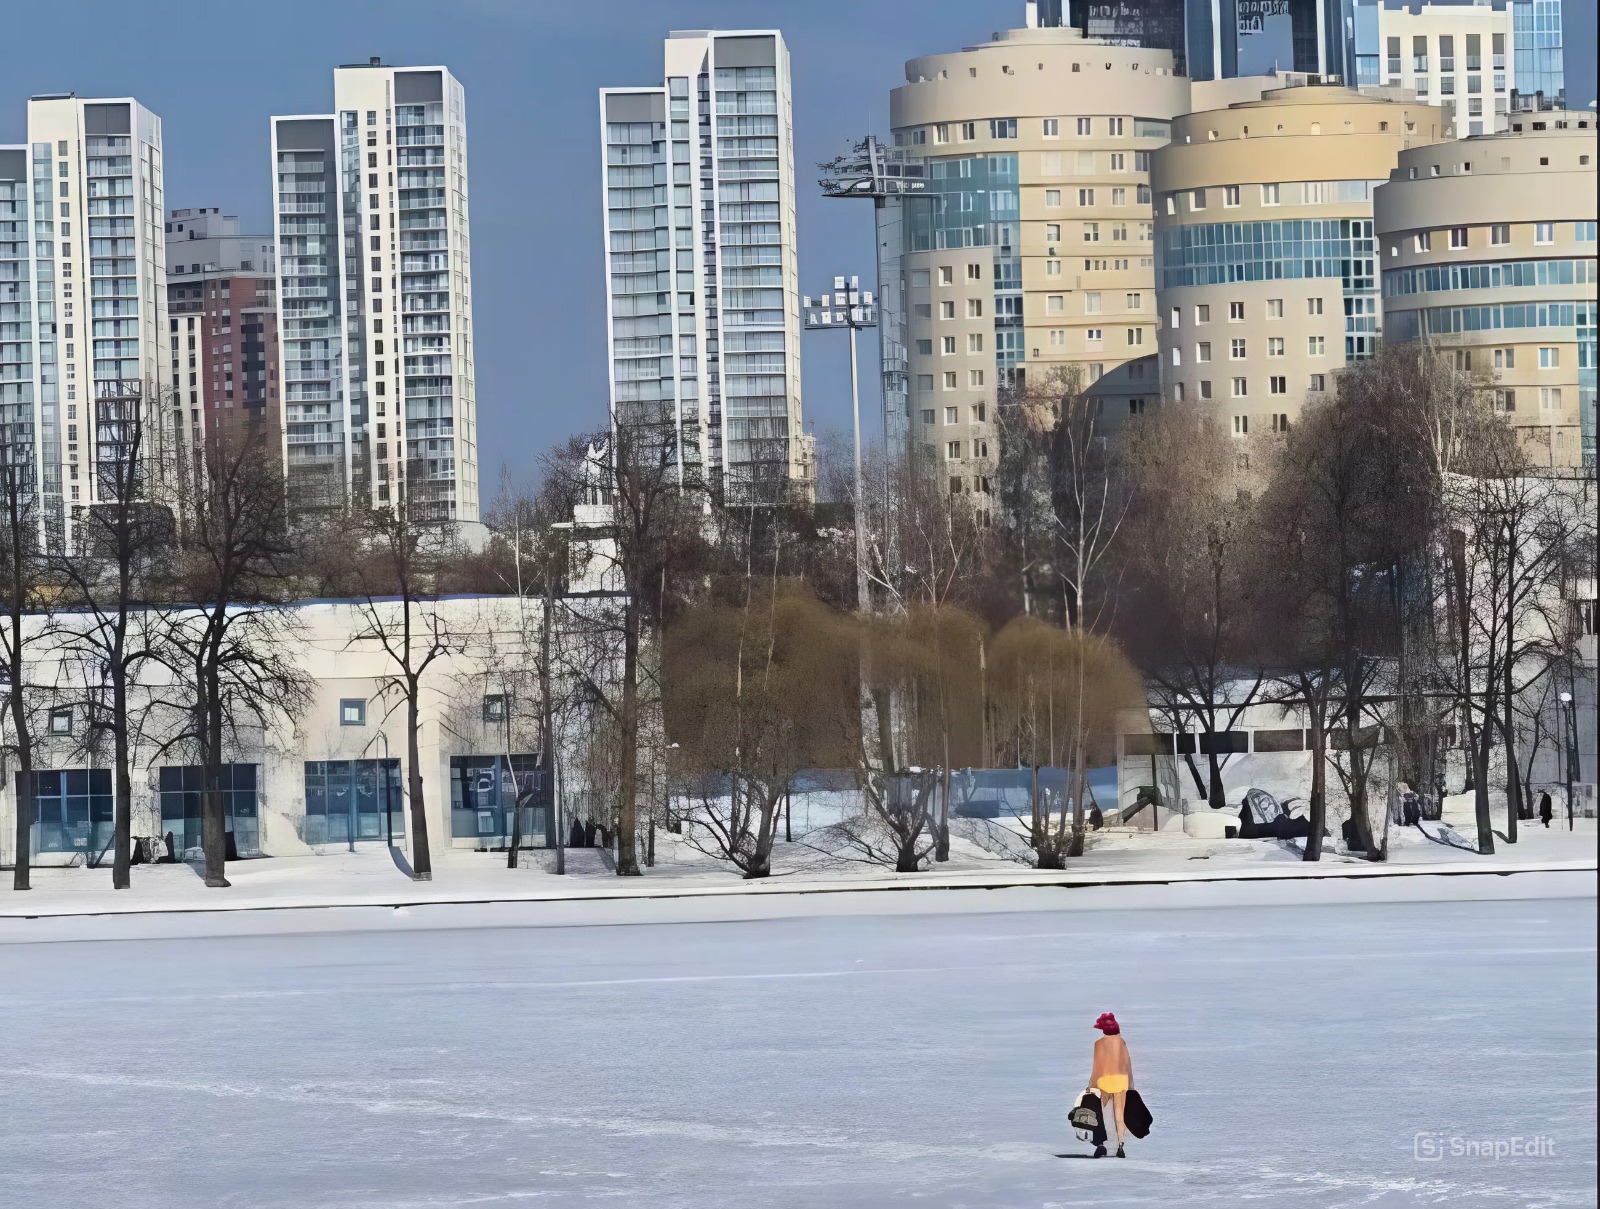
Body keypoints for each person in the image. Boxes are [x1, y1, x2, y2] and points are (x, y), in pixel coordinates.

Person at [1088, 1012, 1133, 1157]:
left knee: (1107, 1116)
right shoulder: (1121, 1042)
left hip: (1105, 1082)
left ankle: (1106, 1145)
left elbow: (1097, 1067)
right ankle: (1120, 1146)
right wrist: (1131, 1085)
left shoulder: (1098, 1044)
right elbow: (1127, 1064)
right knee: (1120, 1115)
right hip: (1121, 1081)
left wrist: (1091, 1085)